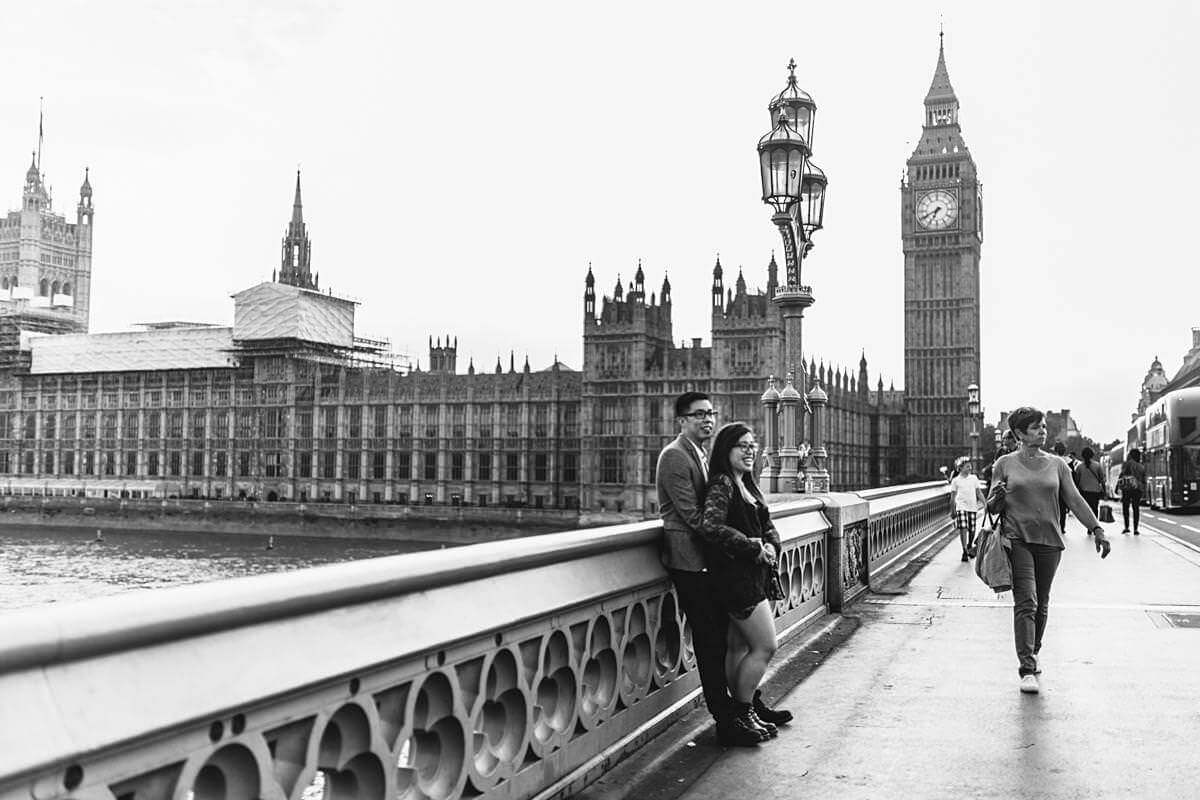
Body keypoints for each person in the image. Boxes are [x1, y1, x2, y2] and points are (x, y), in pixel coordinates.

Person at [656, 392, 760, 747]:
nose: (708, 420)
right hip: (688, 562)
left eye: (711, 413)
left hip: (707, 561)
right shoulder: (674, 456)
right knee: (709, 642)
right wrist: (743, 543)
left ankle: (744, 708)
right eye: (699, 414)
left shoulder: (700, 454)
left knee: (727, 640)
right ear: (681, 420)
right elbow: (695, 518)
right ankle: (725, 718)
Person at [989, 407, 1112, 694]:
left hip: (1050, 540)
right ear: (1019, 433)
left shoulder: (1058, 465)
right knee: (1027, 601)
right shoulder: (1004, 464)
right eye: (1035, 427)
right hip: (1016, 538)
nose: (1042, 431)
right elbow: (993, 508)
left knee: (1042, 603)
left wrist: (1097, 529)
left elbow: (1076, 500)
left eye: (1043, 426)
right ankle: (1027, 668)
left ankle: (1033, 649)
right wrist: (996, 498)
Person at [698, 421, 790, 742]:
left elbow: (768, 525)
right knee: (766, 646)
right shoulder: (723, 484)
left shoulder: (747, 484)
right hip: (736, 581)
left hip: (752, 576)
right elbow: (710, 527)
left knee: (738, 648)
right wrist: (754, 546)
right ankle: (743, 710)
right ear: (727, 450)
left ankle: (741, 717)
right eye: (743, 446)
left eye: (754, 445)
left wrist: (771, 544)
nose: (751, 451)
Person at [949, 457, 986, 562]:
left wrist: (985, 503)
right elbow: (952, 497)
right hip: (961, 507)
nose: (970, 468)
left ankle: (969, 545)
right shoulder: (955, 481)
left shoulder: (974, 478)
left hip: (972, 507)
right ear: (960, 468)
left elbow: (979, 492)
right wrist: (953, 510)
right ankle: (964, 550)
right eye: (967, 466)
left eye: (970, 466)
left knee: (972, 530)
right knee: (963, 528)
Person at [1117, 448, 1147, 535]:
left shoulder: (1126, 464)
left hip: (1127, 488)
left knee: (1125, 508)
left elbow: (1121, 475)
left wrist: (1117, 486)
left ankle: (1126, 527)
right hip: (1137, 489)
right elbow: (1143, 479)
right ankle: (1136, 529)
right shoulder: (1141, 466)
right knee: (1136, 508)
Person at [1072, 447, 1106, 522]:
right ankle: (1095, 526)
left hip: (1084, 492)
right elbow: (1102, 480)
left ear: (1083, 455)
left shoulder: (1079, 467)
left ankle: (1089, 527)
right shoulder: (1097, 466)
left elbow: (1076, 481)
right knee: (1095, 509)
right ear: (1092, 455)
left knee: (1087, 510)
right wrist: (1104, 492)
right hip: (1095, 491)